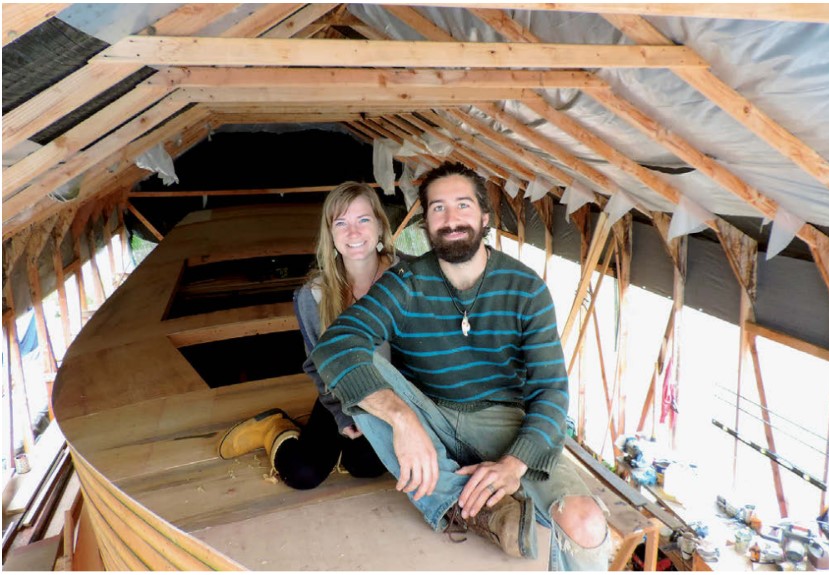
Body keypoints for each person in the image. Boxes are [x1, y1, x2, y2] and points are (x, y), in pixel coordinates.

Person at [310, 163, 611, 570]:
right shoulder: (405, 282)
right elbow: (335, 345)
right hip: (428, 415)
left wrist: (514, 464)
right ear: (426, 222)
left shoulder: (526, 289)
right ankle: (465, 504)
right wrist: (402, 418)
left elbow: (551, 392)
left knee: (586, 522)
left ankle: (494, 493)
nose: (451, 219)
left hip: (504, 422)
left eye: (462, 205)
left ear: (485, 217)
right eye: (438, 208)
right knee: (362, 373)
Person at [217, 182, 397, 490]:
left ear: (380, 225)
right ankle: (274, 427)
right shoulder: (313, 295)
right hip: (346, 394)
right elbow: (317, 365)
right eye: (341, 223)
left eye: (363, 219)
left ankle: (352, 451)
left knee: (364, 465)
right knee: (302, 474)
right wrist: (342, 416)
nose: (353, 232)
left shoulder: (409, 276)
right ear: (330, 234)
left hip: (399, 398)